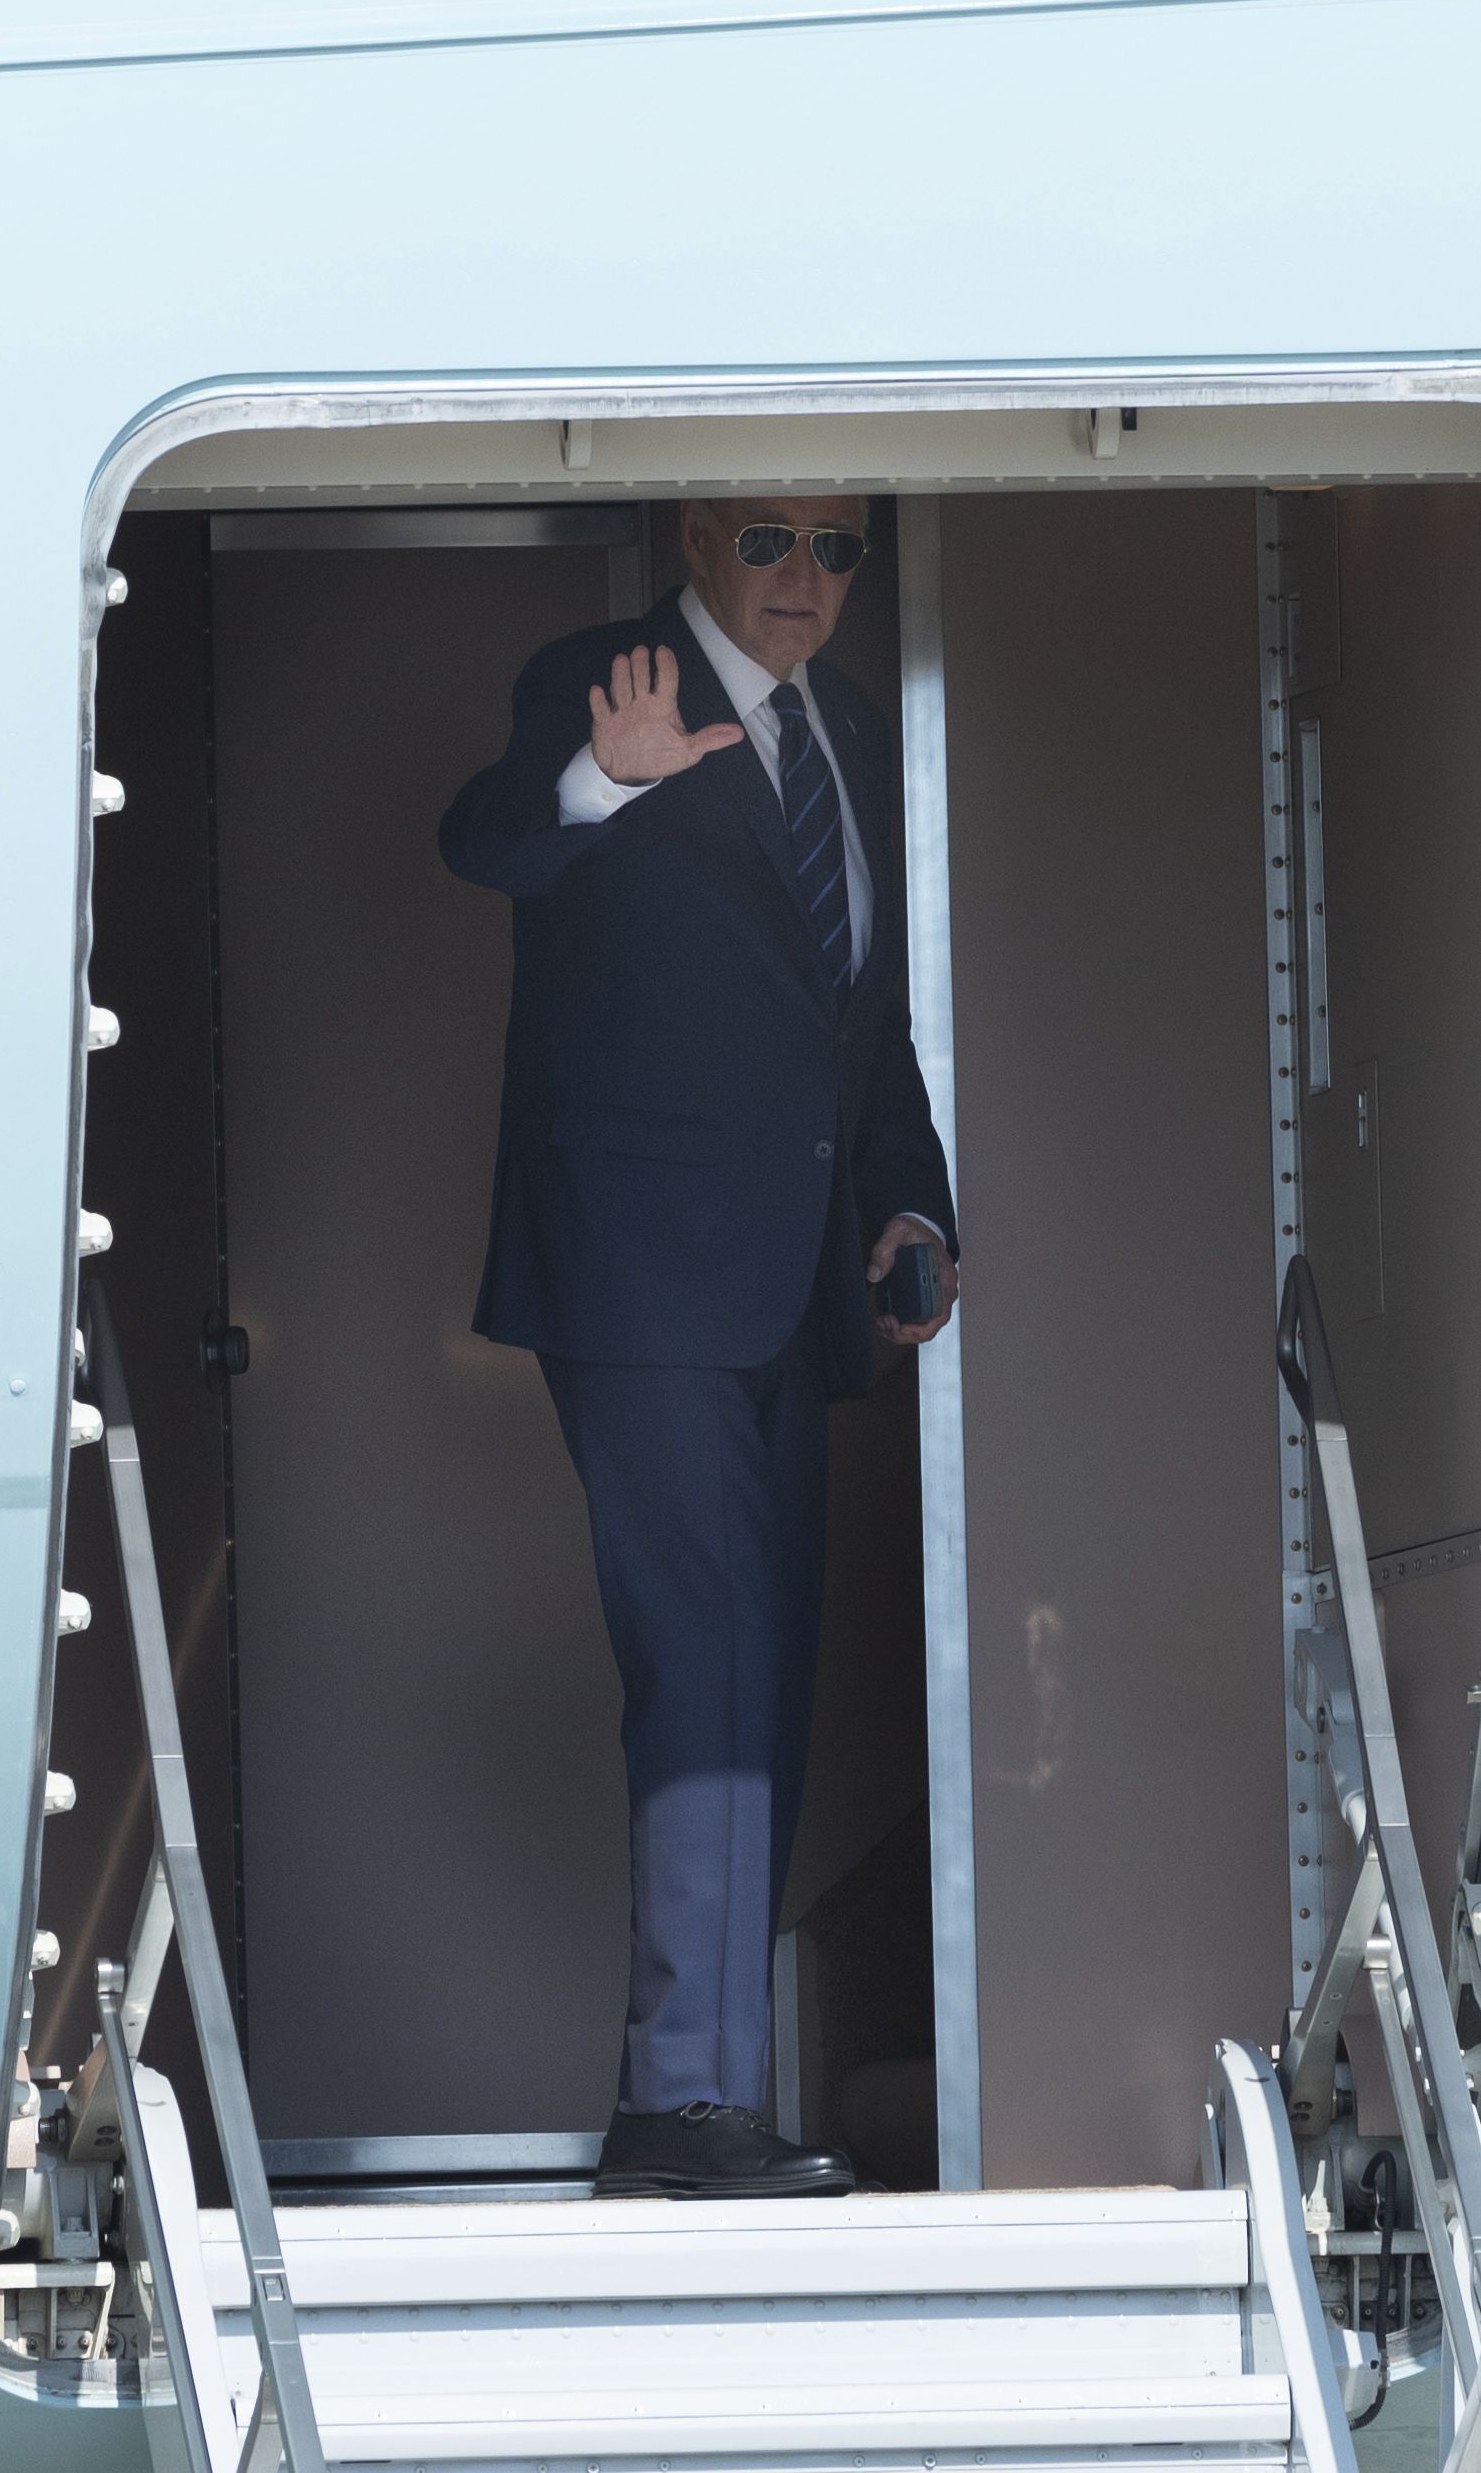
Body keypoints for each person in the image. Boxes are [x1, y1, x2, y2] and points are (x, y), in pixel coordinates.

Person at [438, 494, 959, 2199]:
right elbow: (489, 840)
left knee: (763, 1678)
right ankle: (683, 2108)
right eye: (772, 537)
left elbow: (857, 1017)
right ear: (694, 536)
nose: (808, 576)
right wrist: (613, 779)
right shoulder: (607, 676)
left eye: (841, 547)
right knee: (711, 1669)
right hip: (643, 1280)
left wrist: (912, 1205)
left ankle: (696, 2097)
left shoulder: (852, 729)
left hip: (795, 1285)